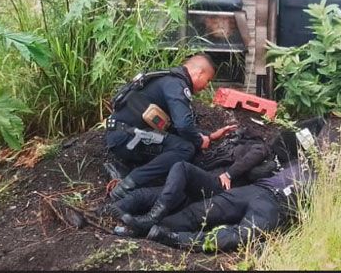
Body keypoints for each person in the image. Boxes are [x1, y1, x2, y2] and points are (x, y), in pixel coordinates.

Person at [130, 118, 325, 253]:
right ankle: (149, 228)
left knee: (240, 236)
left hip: (276, 206)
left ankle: (175, 238)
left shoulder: (327, 178)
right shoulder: (291, 157)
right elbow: (291, 137)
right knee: (199, 212)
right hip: (254, 190)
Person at [105, 54, 235, 199]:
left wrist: (209, 136)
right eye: (207, 80)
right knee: (185, 148)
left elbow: (172, 126)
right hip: (126, 139)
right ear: (199, 73)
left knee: (181, 144)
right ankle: (126, 186)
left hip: (125, 135)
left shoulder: (168, 79)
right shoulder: (176, 85)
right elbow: (183, 126)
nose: (206, 86)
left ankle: (129, 172)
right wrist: (199, 141)